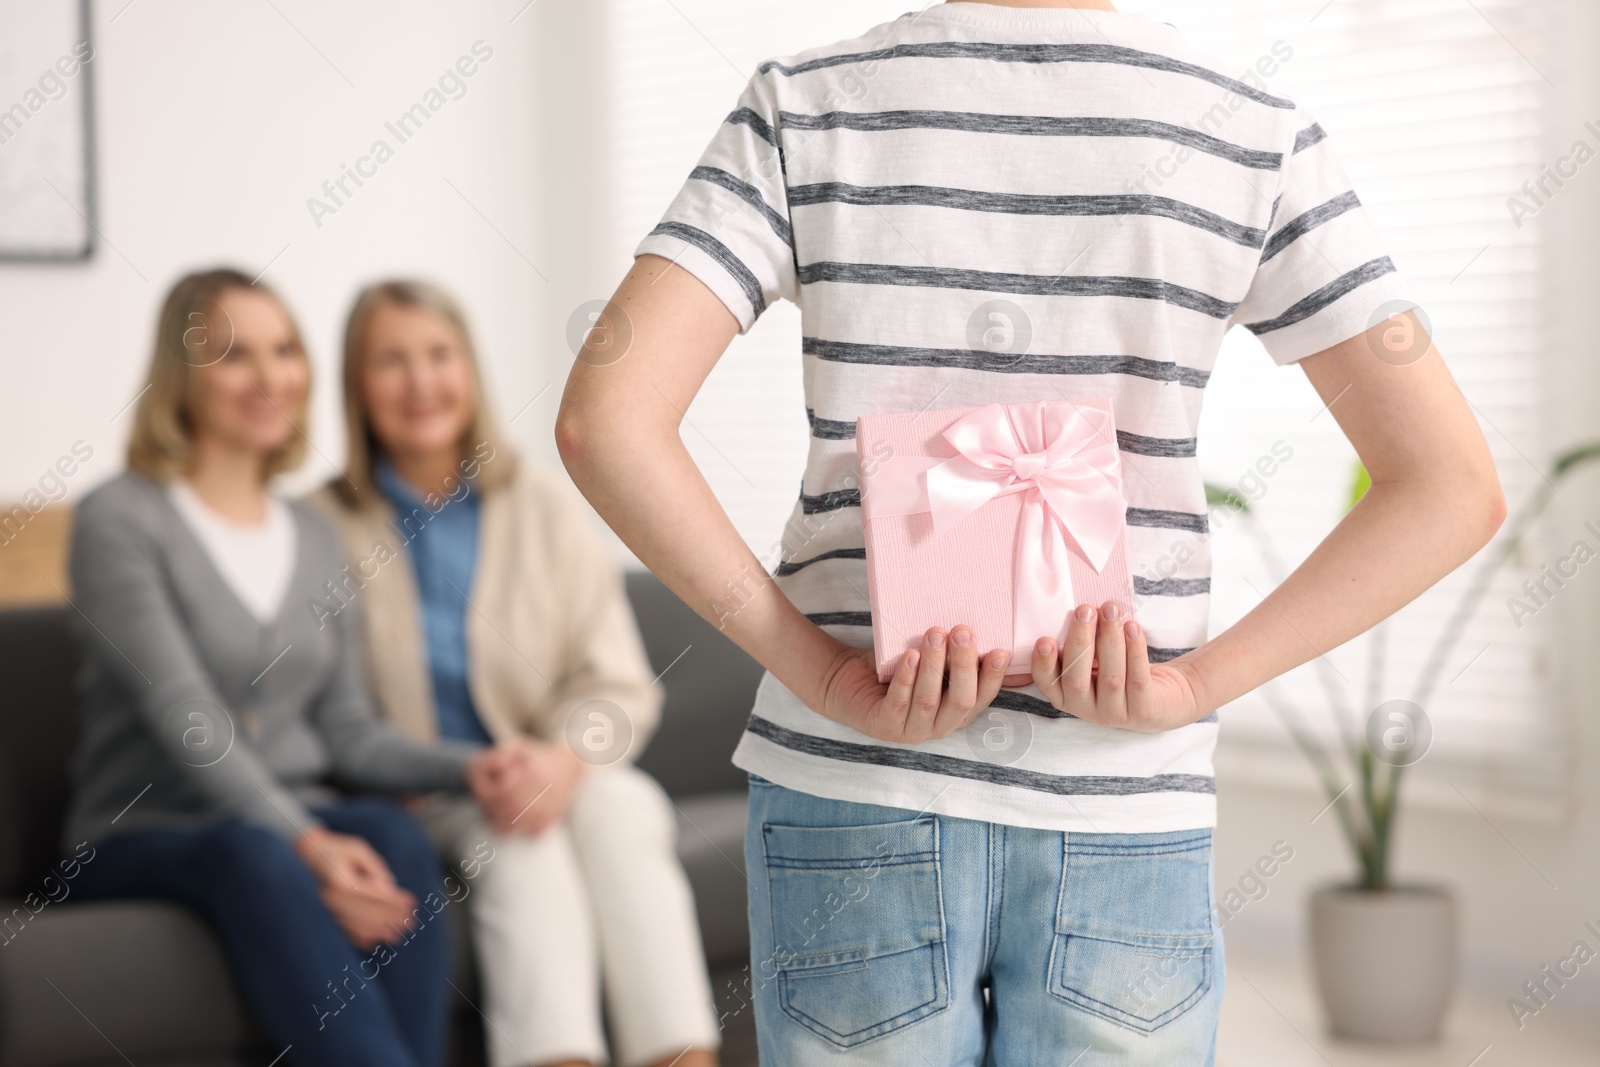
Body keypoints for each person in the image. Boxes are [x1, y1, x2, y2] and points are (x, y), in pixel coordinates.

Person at [553, 1, 1508, 1064]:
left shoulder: (804, 105)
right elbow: (1451, 486)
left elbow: (604, 424)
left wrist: (820, 673)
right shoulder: (1252, 130)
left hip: (857, 784)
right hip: (1122, 797)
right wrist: (1190, 684)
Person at [65, 267, 537, 1067]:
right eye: (234, 354)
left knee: (393, 830)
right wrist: (307, 842)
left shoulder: (316, 535)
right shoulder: (120, 519)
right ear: (183, 374)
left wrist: (474, 766)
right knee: (255, 852)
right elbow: (190, 719)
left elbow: (348, 732)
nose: (269, 376)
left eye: (284, 350)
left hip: (289, 822)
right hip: (148, 833)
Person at [306, 279, 721, 1067]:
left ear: (470, 370)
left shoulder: (540, 505)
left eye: (439, 354)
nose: (421, 381)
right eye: (391, 361)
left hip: (551, 771)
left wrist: (562, 761)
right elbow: (314, 709)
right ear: (357, 386)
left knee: (628, 806)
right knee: (523, 852)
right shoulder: (320, 525)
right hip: (423, 792)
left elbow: (621, 684)